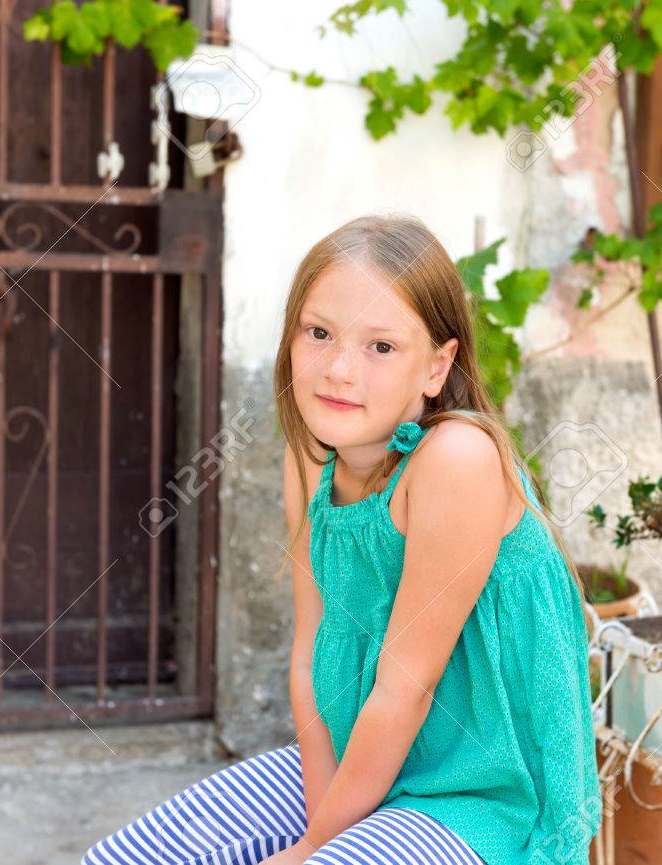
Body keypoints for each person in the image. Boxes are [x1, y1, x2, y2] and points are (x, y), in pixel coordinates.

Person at [83, 214, 600, 865]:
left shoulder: (457, 460)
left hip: (481, 796)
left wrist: (315, 847)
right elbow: (309, 656)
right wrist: (321, 828)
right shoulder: (312, 453)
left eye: (380, 346)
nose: (338, 370)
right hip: (363, 756)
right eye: (319, 333)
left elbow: (406, 685)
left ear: (437, 366)